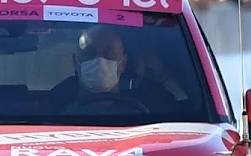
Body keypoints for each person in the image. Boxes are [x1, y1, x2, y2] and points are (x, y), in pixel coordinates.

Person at [51, 25, 179, 114]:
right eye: (90, 54)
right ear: (76, 62)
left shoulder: (154, 102)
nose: (100, 60)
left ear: (123, 63)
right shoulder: (54, 105)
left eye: (109, 54)